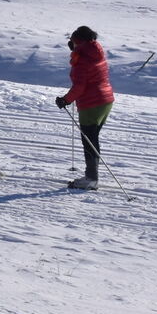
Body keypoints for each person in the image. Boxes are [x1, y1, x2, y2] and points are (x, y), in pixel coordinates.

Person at [56, 25, 115, 191]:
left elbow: (79, 87)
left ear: (78, 41)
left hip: (92, 103)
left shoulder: (82, 60)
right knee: (92, 139)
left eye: (73, 41)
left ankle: (91, 179)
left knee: (89, 141)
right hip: (105, 101)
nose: (71, 44)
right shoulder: (96, 52)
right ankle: (92, 176)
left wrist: (65, 100)